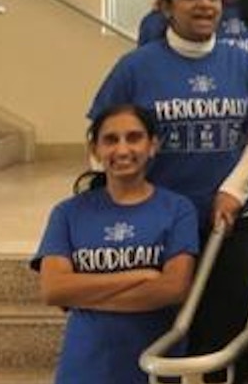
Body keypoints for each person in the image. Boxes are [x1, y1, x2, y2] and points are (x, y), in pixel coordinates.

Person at [89, 0, 248, 367]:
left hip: (228, 221)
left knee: (225, 328)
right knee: (166, 329)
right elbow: (104, 133)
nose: (204, 4)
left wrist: (234, 189)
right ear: (166, 6)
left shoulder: (240, 64)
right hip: (159, 222)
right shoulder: (136, 67)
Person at [34, 105, 199, 384]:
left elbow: (173, 289)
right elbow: (54, 290)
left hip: (152, 366)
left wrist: (84, 293)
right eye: (111, 140)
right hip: (84, 368)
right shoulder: (68, 213)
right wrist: (139, 277)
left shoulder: (178, 209)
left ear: (153, 145)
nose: (122, 150)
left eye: (134, 138)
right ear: (95, 149)